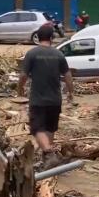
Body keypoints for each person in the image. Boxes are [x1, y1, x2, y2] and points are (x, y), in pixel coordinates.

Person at [17, 25, 74, 169]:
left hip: (38, 99)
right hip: (55, 99)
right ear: (51, 38)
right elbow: (68, 76)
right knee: (50, 128)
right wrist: (71, 93)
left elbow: (23, 75)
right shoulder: (59, 54)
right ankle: (48, 159)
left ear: (38, 37)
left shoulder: (32, 53)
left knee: (37, 129)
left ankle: (49, 153)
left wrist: (20, 89)